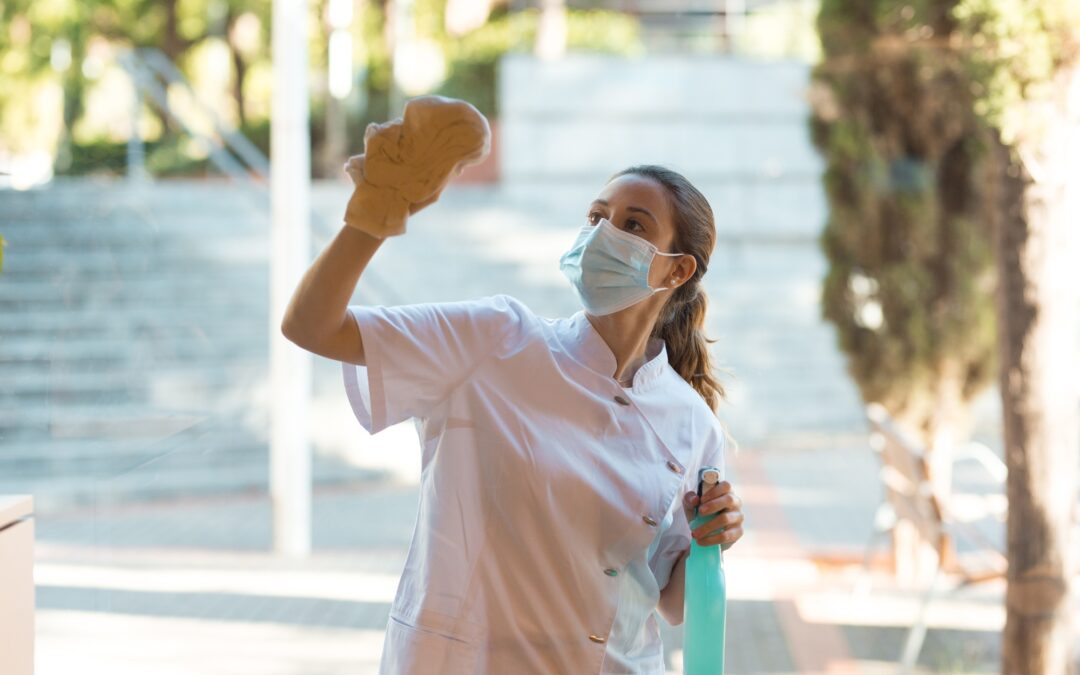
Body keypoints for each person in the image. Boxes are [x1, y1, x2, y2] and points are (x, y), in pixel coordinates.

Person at [281, 163, 745, 674]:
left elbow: (671, 604)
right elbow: (311, 325)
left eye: (632, 225)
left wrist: (713, 537)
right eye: (596, 217)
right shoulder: (494, 339)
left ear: (678, 270)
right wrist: (371, 216)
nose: (602, 235)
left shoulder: (692, 422)